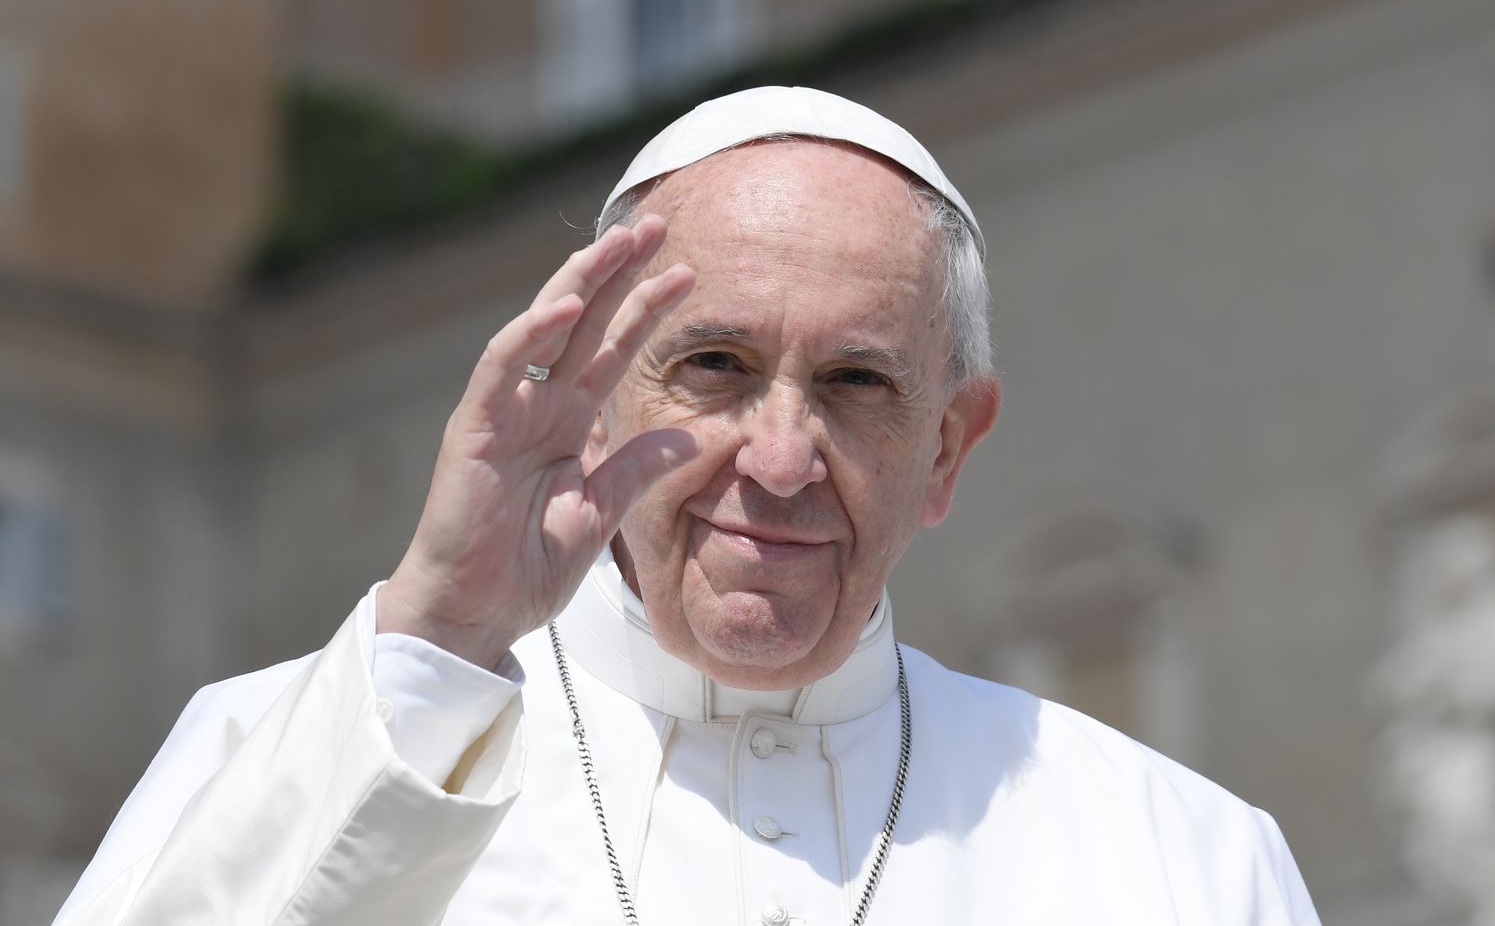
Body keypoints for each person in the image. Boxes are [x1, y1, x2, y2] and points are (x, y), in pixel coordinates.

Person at [55, 86, 1321, 925]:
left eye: (855, 382)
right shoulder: (288, 746)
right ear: (594, 391)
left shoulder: (1177, 859)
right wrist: (438, 638)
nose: (779, 458)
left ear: (947, 447)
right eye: (712, 366)